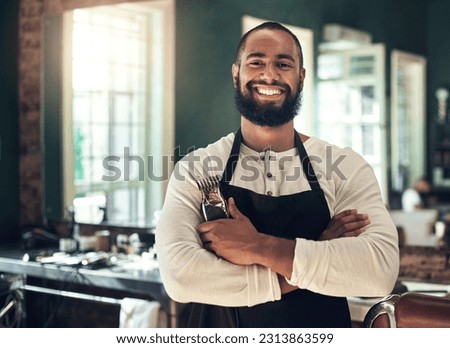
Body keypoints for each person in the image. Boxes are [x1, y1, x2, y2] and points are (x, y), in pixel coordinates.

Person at [155, 22, 399, 328]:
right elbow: (181, 277)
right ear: (236, 74)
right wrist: (315, 253)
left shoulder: (345, 166)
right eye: (256, 62)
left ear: (301, 77)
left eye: (283, 64)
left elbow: (377, 272)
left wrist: (257, 247)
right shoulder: (197, 168)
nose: (270, 74)